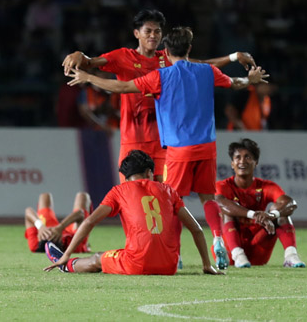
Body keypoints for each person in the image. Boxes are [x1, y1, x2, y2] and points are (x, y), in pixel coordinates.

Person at [67, 26, 269, 270]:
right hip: (207, 146)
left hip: (179, 149)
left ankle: (178, 253)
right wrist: (251, 80)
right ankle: (217, 238)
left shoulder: (160, 76)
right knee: (208, 197)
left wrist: (89, 78)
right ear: (189, 49)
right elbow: (234, 82)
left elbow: (122, 87)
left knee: (172, 200)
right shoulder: (207, 71)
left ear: (167, 52)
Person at [62, 9, 256, 183]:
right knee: (133, 195)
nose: (153, 36)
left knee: (164, 196)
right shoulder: (122, 56)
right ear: (136, 34)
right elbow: (90, 62)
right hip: (133, 138)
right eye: (148, 31)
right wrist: (79, 55)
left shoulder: (168, 57)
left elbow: (202, 65)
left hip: (163, 141)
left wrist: (233, 57)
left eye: (157, 31)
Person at [43, 150, 220, 275]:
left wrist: (67, 253)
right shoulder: (169, 190)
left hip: (137, 264)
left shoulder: (119, 191)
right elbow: (196, 229)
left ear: (126, 176)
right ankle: (67, 261)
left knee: (98, 258)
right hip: (169, 267)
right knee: (124, 252)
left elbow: (89, 222)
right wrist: (206, 265)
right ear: (149, 172)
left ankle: (65, 264)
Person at [215, 138, 305, 268]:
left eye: (247, 157)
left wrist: (272, 215)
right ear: (232, 164)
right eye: (238, 157)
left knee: (280, 211)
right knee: (227, 211)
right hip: (229, 253)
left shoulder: (266, 186)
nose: (242, 161)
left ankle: (291, 256)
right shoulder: (223, 186)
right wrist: (253, 214)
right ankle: (238, 255)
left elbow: (290, 203)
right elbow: (220, 203)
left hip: (258, 249)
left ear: (256, 162)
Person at [24, 191, 92, 254]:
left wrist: (40, 226)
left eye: (47, 234)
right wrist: (61, 227)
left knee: (45, 196)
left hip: (46, 227)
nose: (51, 233)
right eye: (53, 235)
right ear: (61, 241)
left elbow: (28, 211)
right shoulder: (74, 245)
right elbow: (81, 213)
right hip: (72, 233)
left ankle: (46, 227)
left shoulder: (35, 245)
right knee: (82, 196)